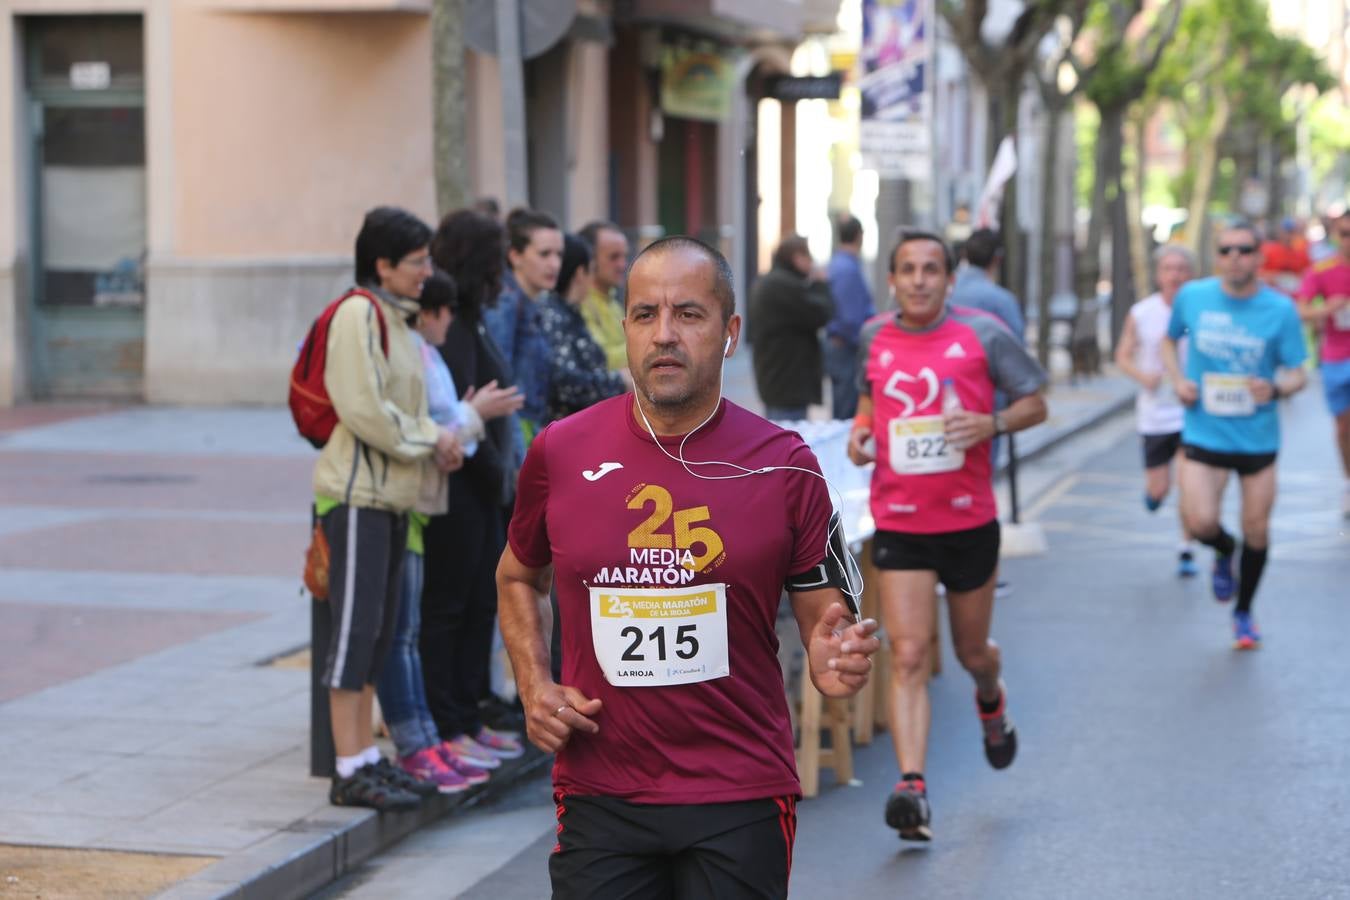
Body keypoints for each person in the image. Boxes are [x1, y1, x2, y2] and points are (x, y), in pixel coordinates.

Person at [497, 235, 880, 899]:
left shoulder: (787, 464)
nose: (664, 334)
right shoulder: (560, 452)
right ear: (626, 328)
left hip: (739, 790)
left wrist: (832, 655)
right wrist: (534, 686)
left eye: (689, 314)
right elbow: (516, 576)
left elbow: (826, 616)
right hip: (602, 790)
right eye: (646, 314)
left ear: (730, 332)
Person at [847, 230, 1048, 842]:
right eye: (908, 269)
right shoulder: (873, 336)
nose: (919, 280)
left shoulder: (983, 334)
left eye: (931, 269)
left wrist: (991, 422)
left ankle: (991, 695)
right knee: (908, 653)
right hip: (900, 519)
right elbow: (867, 399)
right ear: (892, 280)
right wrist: (860, 433)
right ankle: (913, 788)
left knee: (971, 653)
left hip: (967, 521)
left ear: (949, 280)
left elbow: (1036, 402)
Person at [316, 206, 465, 810]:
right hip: (358, 497)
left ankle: (367, 759)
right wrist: (432, 438)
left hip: (394, 497)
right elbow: (364, 409)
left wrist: (436, 438)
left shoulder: (398, 320)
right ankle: (348, 766)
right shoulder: (358, 314)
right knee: (356, 632)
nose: (426, 272)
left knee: (378, 636)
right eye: (416, 262)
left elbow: (404, 409)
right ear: (382, 264)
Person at [377, 270, 513, 792]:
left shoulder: (429, 352)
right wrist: (472, 417)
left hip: (433, 490)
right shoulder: (414, 351)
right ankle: (429, 735)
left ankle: (445, 728)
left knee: (437, 618)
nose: (450, 320)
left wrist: (463, 424)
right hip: (421, 497)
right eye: (444, 311)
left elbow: (442, 423)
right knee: (416, 625)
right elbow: (428, 422)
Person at [1161, 221, 1308, 649]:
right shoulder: (1193, 297)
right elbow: (1169, 341)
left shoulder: (1279, 309)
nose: (1235, 258)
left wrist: (1276, 389)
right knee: (1200, 522)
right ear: (1217, 256)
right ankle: (1225, 549)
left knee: (1257, 531)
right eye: (1226, 250)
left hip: (1257, 438)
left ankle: (1243, 612)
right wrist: (1178, 381)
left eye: (1244, 250)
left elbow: (1299, 373)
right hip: (1203, 430)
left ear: (1259, 257)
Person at [424, 210, 529, 772]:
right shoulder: (455, 327)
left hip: (487, 491)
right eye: (496, 259)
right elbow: (465, 411)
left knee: (479, 605)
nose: (502, 273)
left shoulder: (474, 319)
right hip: (462, 490)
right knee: (452, 606)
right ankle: (449, 724)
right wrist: (497, 477)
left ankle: (469, 719)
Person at [1113, 245, 1200, 576]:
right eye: (1168, 268)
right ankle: (1153, 495)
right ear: (1158, 275)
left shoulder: (1201, 311)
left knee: (1190, 484)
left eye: (1181, 268)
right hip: (1155, 412)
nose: (1175, 275)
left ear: (1190, 274)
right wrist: (1143, 376)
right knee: (1159, 489)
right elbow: (1122, 356)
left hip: (1191, 411)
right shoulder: (1142, 312)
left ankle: (1186, 548)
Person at [485, 208, 563, 447]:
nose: (554, 264)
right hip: (514, 433)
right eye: (544, 254)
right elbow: (500, 384)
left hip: (530, 429)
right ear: (515, 256)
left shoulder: (533, 302)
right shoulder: (505, 303)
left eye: (559, 254)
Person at [1295, 209, 1350, 519]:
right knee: (1344, 426)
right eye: (1345, 234)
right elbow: (1300, 310)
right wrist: (1326, 309)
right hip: (1337, 358)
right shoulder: (1323, 269)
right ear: (1336, 236)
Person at [540, 233, 626, 423]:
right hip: (565, 428)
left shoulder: (570, 313)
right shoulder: (555, 317)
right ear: (580, 273)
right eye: (592, 270)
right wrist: (619, 381)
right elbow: (565, 382)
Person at [749, 234, 835, 421]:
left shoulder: (771, 281)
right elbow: (821, 313)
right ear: (797, 257)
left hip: (778, 379)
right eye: (808, 257)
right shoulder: (783, 285)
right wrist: (820, 284)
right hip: (787, 383)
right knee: (788, 434)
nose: (811, 263)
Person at [825, 214, 875, 420]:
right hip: (847, 347)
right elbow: (849, 318)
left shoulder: (841, 264)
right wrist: (864, 343)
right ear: (859, 235)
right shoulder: (847, 269)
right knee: (846, 411)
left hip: (844, 344)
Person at [578, 220, 632, 380]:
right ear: (590, 260)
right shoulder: (579, 303)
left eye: (624, 256)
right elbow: (599, 357)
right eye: (614, 257)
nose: (622, 264)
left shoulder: (613, 304)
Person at [951, 228, 1025, 341]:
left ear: (964, 253)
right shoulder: (1003, 301)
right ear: (997, 258)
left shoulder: (944, 291)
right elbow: (1016, 345)